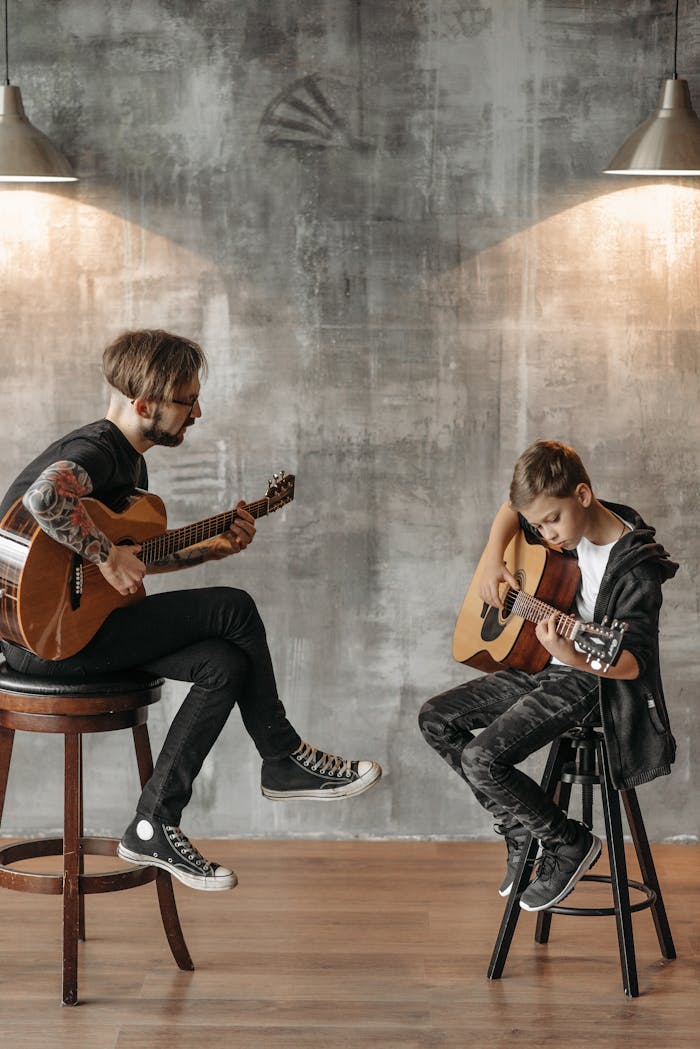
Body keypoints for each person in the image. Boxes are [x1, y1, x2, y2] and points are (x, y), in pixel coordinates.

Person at [0, 329, 381, 893]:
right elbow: (45, 500)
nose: (197, 412)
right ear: (144, 403)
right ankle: (281, 756)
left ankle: (154, 823)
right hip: (42, 645)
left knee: (224, 663)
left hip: (72, 629)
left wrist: (208, 549)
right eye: (186, 400)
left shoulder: (131, 467)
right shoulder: (96, 451)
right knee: (236, 608)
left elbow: (131, 568)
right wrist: (104, 554)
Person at [418, 440, 677, 912]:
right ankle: (521, 828)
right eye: (536, 525)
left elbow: (633, 663)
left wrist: (570, 653)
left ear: (582, 495)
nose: (545, 534)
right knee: (436, 718)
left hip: (592, 682)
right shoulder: (557, 528)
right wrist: (495, 557)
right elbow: (511, 509)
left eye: (551, 521)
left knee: (481, 759)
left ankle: (569, 842)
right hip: (540, 666)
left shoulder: (637, 567)